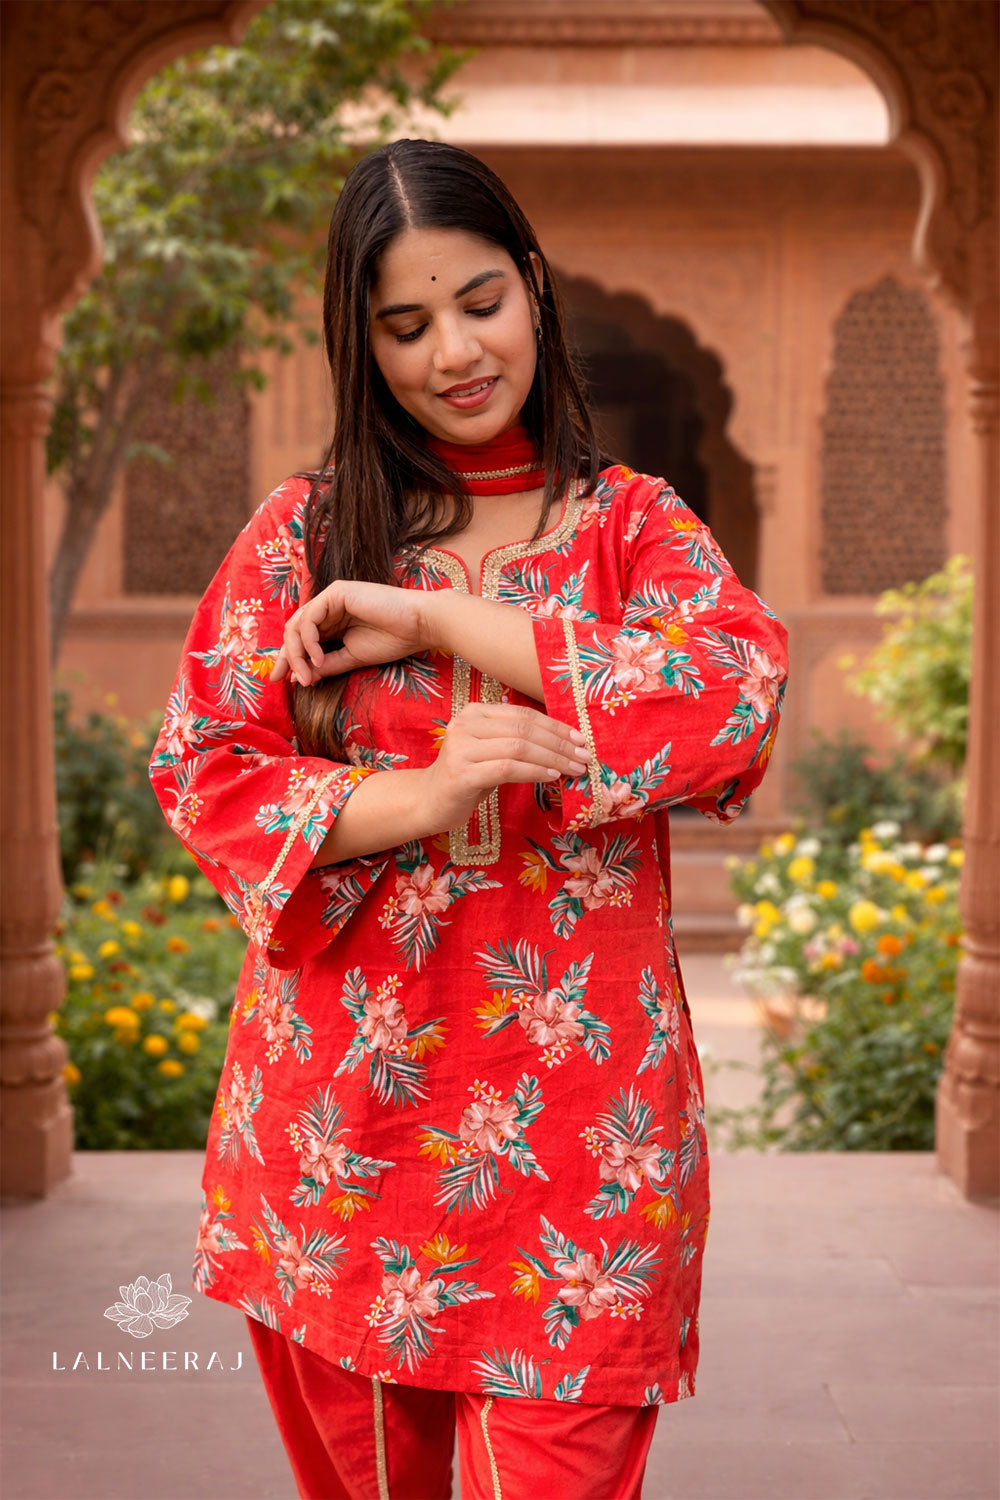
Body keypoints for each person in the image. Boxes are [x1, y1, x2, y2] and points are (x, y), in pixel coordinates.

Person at [149, 138, 788, 1500]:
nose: (454, 351)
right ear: (361, 343)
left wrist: (438, 617)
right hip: (348, 1142)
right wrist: (425, 796)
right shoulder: (301, 538)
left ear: (537, 289)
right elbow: (206, 765)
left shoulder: (634, 531)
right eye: (406, 323)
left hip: (585, 1154)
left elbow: (732, 701)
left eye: (481, 301)